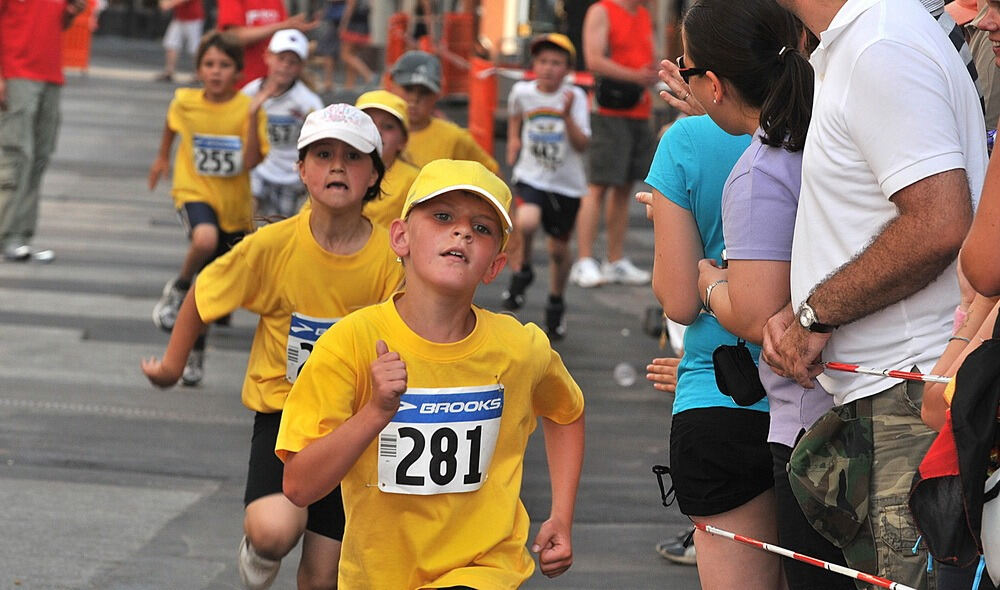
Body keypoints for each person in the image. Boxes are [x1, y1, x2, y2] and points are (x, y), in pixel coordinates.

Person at [276, 159, 586, 589]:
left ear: (495, 265)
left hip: (485, 569)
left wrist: (562, 515)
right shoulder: (350, 343)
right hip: (378, 575)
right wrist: (375, 412)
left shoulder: (521, 348)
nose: (461, 232)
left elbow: (567, 411)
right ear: (400, 237)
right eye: (443, 217)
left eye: (481, 228)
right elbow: (298, 486)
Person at [763, 0, 987, 587]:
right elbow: (876, 213)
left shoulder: (878, 45)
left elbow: (938, 223)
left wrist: (816, 311)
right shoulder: (862, 40)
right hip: (900, 388)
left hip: (910, 392)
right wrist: (807, 302)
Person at [142, 103, 404, 590]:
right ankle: (260, 549)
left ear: (373, 176)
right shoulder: (274, 246)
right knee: (275, 531)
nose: (338, 166)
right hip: (286, 415)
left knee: (326, 579)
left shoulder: (392, 257)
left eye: (353, 157)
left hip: (357, 429)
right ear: (301, 170)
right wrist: (173, 366)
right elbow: (204, 292)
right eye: (323, 155)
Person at [675, 2, 856, 588]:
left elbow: (755, 314)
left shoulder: (762, 168)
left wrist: (709, 282)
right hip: (870, 402)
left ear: (713, 84)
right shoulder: (833, 135)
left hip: (808, 427)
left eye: (686, 67)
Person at [147, 31, 269, 386]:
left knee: (212, 291)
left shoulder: (247, 108)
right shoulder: (185, 101)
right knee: (203, 240)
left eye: (224, 65)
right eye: (209, 64)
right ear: (199, 68)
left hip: (234, 207)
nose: (216, 72)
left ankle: (194, 352)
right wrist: (160, 159)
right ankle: (178, 287)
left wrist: (250, 118)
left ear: (238, 72)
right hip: (193, 191)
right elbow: (171, 126)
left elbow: (252, 161)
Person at [501, 33, 590, 341]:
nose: (549, 68)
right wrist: (513, 138)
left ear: (567, 69)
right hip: (531, 174)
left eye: (556, 63)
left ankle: (555, 301)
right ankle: (522, 269)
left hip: (565, 184)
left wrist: (565, 117)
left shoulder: (575, 97)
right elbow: (515, 116)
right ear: (533, 65)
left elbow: (582, 144)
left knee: (558, 250)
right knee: (526, 221)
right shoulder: (522, 92)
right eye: (543, 61)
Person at [570, 0, 657, 288]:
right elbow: (593, 60)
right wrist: (636, 76)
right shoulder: (602, 10)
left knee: (624, 187)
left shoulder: (644, 14)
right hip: (610, 111)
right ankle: (584, 261)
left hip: (639, 109)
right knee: (597, 186)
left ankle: (614, 260)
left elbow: (648, 59)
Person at [0, 0, 88, 262]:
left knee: (39, 156)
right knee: (17, 156)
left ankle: (20, 236)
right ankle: (6, 235)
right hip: (16, 70)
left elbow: (57, 24)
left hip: (49, 73)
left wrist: (72, 13)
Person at [243, 29, 323, 219]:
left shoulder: (308, 102)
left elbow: (320, 141)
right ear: (268, 57)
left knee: (278, 230)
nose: (285, 66)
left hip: (290, 178)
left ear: (301, 66)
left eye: (293, 62)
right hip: (257, 173)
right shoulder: (249, 93)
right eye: (281, 59)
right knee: (246, 223)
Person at [389, 50, 500, 173]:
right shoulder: (373, 128)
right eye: (408, 89)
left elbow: (492, 174)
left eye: (425, 92)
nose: (414, 99)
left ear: (437, 95)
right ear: (391, 85)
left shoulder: (453, 138)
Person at [216, 0, 319, 87]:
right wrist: (283, 26)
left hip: (274, 86)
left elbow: (283, 36)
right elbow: (232, 37)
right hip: (242, 85)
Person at [355, 89, 420, 228]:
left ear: (403, 141)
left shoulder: (414, 181)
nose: (376, 131)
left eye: (388, 127)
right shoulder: (337, 169)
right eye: (368, 123)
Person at [157, 0, 204, 82]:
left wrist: (169, 4)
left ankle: (198, 74)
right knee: (171, 43)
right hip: (180, 17)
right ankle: (169, 71)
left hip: (193, 18)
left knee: (195, 47)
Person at [338, 0, 377, 89]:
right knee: (353, 55)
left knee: (345, 55)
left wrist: (343, 25)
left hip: (353, 26)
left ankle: (368, 74)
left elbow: (349, 9)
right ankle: (350, 84)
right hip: (363, 26)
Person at [315, 0, 346, 94]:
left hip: (338, 20)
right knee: (331, 52)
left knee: (329, 52)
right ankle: (329, 81)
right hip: (335, 19)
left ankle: (328, 82)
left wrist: (344, 24)